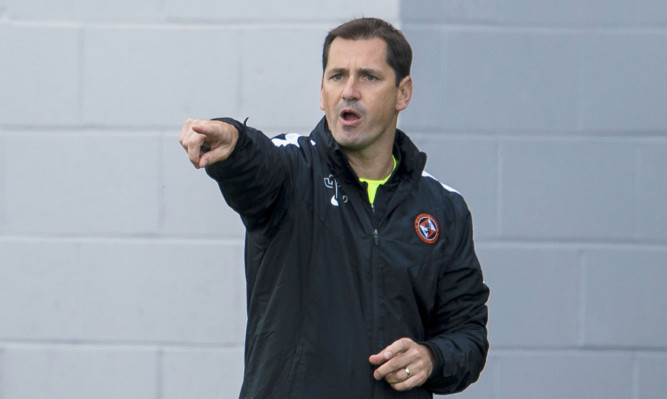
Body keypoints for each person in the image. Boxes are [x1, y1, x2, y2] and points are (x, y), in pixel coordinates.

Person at [179, 17, 489, 399]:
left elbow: (469, 336)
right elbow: (256, 162)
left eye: (369, 77)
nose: (349, 91)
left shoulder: (444, 207)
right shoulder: (293, 170)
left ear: (402, 93)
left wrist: (432, 357)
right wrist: (233, 141)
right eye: (337, 76)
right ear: (322, 92)